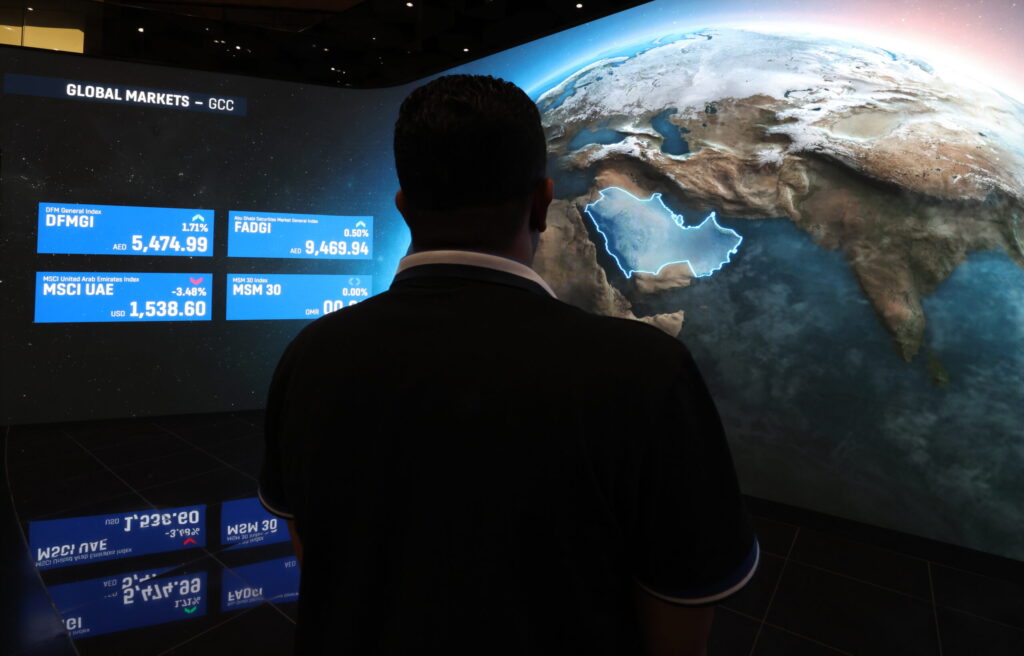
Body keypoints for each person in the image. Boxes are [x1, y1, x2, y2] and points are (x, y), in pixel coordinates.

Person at [258, 74, 758, 655]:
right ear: (542, 203)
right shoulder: (646, 370)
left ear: (404, 208)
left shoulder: (310, 354)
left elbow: (316, 556)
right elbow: (682, 609)